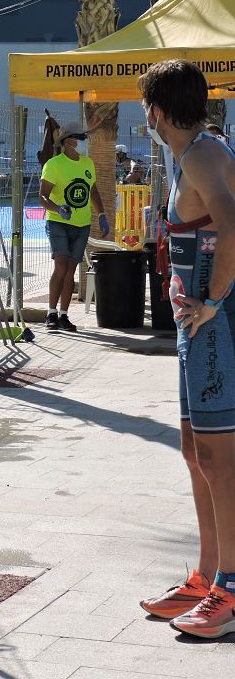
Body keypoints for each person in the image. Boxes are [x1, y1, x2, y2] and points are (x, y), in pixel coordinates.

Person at [136, 59, 235, 639]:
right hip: (193, 330)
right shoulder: (193, 153)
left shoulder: (201, 154)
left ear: (154, 110)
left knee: (220, 462)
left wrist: (216, 300)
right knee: (195, 452)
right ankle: (205, 575)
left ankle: (229, 585)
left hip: (213, 330)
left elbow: (232, 221)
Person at [38, 121, 110, 332]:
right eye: (79, 138)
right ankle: (51, 313)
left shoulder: (87, 163)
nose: (82, 141)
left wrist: (102, 214)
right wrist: (58, 208)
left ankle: (64, 315)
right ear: (68, 141)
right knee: (60, 266)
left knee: (70, 271)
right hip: (58, 222)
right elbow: (42, 196)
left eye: (82, 138)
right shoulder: (54, 164)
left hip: (82, 223)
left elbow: (93, 191)